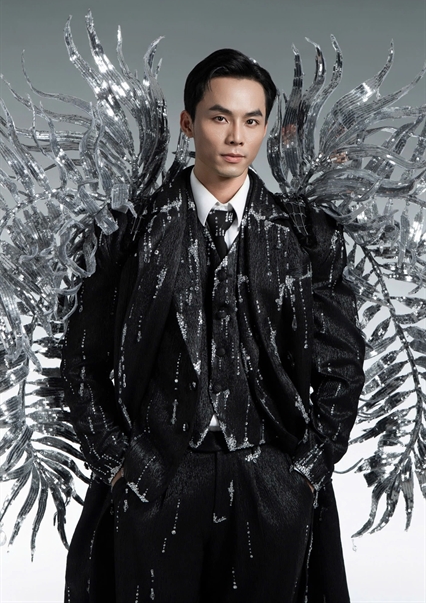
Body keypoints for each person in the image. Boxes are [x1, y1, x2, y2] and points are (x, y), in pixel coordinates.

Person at [61, 48, 365, 603]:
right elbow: (82, 361)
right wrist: (121, 463)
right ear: (188, 122)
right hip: (158, 476)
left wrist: (308, 470)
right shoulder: (126, 231)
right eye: (220, 117)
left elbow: (342, 360)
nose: (236, 137)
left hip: (272, 479)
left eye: (252, 121)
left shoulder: (306, 234)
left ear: (265, 129)